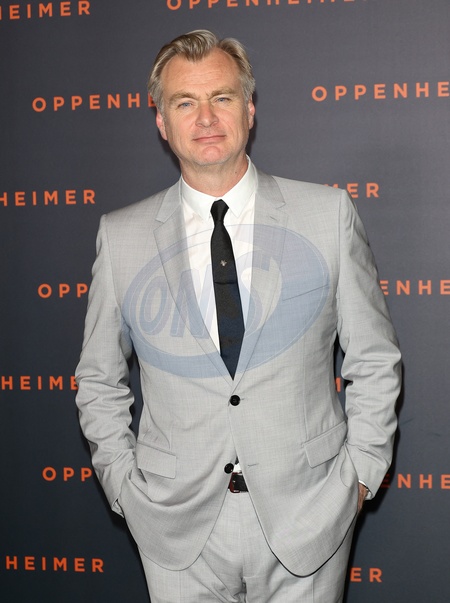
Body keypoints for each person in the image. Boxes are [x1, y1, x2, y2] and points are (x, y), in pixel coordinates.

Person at [76, 30, 401, 603]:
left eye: (221, 98)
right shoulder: (121, 235)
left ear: (249, 109)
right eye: (185, 102)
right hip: (175, 527)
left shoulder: (327, 215)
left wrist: (359, 477)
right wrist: (125, 489)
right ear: (161, 122)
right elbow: (99, 379)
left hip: (309, 515)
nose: (206, 118)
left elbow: (373, 358)